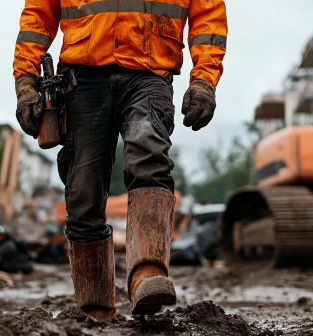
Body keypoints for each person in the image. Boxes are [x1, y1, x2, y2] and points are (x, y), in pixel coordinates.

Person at [13, 0, 227, 319]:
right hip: (82, 78)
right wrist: (26, 79)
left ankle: (148, 273)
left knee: (148, 152)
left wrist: (204, 80)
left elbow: (208, 16)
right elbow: (38, 16)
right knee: (82, 191)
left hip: (149, 72)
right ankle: (95, 306)